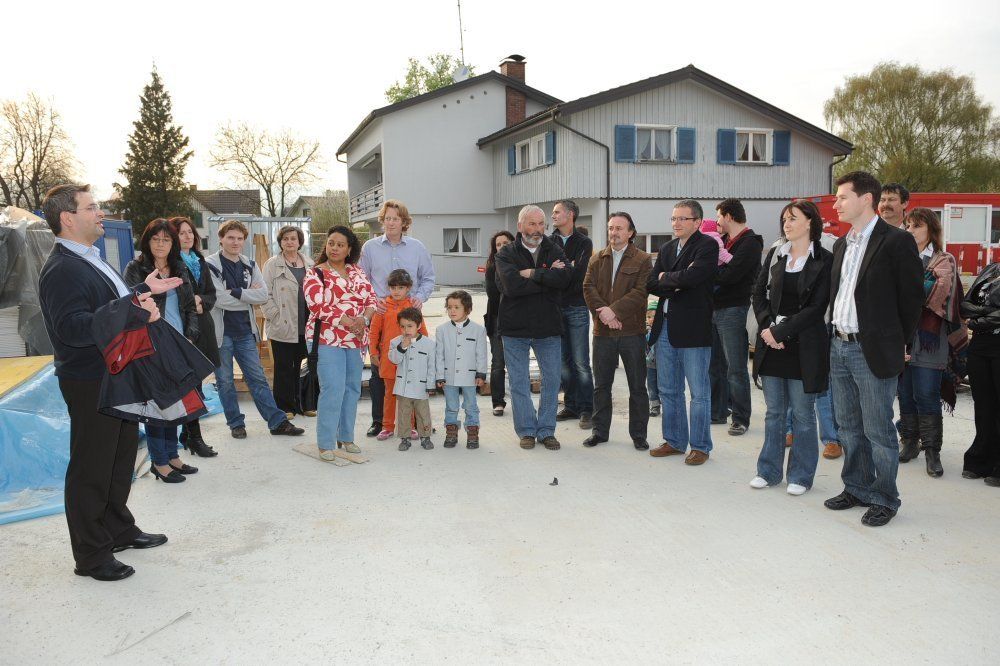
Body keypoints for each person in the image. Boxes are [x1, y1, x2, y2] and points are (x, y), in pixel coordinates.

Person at [38, 183, 175, 581]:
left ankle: (117, 529)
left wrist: (143, 291)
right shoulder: (62, 269)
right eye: (91, 207)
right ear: (68, 218)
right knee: (92, 466)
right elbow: (72, 328)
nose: (100, 213)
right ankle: (91, 555)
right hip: (90, 378)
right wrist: (134, 311)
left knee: (118, 459)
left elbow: (107, 304)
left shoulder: (90, 258)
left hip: (116, 372)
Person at [825, 171, 923, 527]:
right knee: (848, 427)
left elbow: (911, 299)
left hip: (872, 350)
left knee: (878, 430)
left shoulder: (896, 241)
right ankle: (857, 487)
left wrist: (897, 342)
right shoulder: (842, 244)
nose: (836, 204)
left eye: (842, 197)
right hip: (839, 345)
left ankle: (884, 497)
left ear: (866, 199)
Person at [749, 201, 833, 495]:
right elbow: (758, 294)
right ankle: (768, 471)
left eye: (793, 218)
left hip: (804, 346)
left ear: (810, 222)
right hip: (772, 343)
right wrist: (767, 328)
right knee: (774, 413)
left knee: (802, 415)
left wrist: (780, 331)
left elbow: (817, 307)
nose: (787, 223)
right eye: (784, 218)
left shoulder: (825, 259)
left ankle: (800, 476)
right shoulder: (776, 254)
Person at [206, 220, 303, 439]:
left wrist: (236, 292)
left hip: (245, 332)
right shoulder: (210, 265)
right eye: (231, 238)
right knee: (225, 382)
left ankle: (277, 422)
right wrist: (247, 296)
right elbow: (218, 299)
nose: (235, 242)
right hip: (221, 334)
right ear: (221, 239)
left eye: (240, 238)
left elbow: (261, 295)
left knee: (258, 378)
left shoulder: (249, 264)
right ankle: (236, 424)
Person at [123, 220, 201, 483]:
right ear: (147, 242)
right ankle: (159, 461)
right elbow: (129, 303)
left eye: (166, 239)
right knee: (157, 403)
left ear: (173, 243)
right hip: (151, 343)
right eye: (155, 239)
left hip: (177, 342)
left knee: (175, 400)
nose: (160, 244)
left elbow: (189, 308)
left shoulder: (180, 268)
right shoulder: (135, 268)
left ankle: (172, 455)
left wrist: (190, 336)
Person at [647, 200, 719, 464]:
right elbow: (651, 283)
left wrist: (668, 278)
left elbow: (694, 278)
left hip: (693, 329)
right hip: (665, 327)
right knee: (668, 389)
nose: (675, 223)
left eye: (682, 219)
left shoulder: (707, 246)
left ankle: (700, 446)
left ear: (697, 222)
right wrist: (675, 280)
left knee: (699, 392)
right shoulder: (667, 248)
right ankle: (674, 441)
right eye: (673, 218)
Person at [495, 204, 573, 450]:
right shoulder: (506, 253)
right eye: (532, 224)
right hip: (514, 329)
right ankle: (527, 430)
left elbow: (565, 278)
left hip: (548, 328)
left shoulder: (554, 248)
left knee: (552, 380)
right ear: (520, 226)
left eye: (541, 224)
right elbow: (511, 287)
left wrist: (531, 273)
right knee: (519, 383)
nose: (538, 229)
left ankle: (547, 431)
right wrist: (547, 276)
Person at [897, 208, 965, 477]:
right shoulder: (901, 257)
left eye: (917, 226)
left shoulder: (944, 259)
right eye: (908, 226)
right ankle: (909, 442)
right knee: (905, 393)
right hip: (901, 336)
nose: (910, 231)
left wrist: (907, 287)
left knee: (926, 393)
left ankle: (932, 451)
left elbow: (937, 291)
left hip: (930, 338)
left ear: (931, 229)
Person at [359, 200, 435, 437]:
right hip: (382, 314)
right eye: (387, 218)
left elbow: (428, 278)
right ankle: (380, 422)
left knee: (413, 371)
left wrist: (419, 298)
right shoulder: (370, 248)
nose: (391, 223)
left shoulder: (417, 248)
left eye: (395, 219)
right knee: (379, 374)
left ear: (404, 222)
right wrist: (374, 301)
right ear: (382, 221)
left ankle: (415, 422)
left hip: (410, 317)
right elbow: (361, 280)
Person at [303, 225, 378, 460]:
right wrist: (349, 321)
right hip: (326, 339)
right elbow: (318, 306)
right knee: (333, 389)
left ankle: (346, 437)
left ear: (349, 249)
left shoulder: (357, 271)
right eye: (331, 243)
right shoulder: (315, 273)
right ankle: (326, 443)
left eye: (340, 245)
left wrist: (364, 320)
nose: (334, 248)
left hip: (356, 340)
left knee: (352, 389)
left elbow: (371, 299)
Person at [582, 212, 652, 450]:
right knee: (601, 386)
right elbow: (588, 287)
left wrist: (614, 312)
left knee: (637, 386)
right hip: (603, 332)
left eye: (619, 228)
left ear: (631, 232)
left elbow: (641, 292)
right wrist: (605, 315)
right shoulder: (597, 259)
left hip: (631, 332)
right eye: (611, 228)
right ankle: (599, 432)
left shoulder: (642, 259)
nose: (614, 232)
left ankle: (639, 435)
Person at [710, 198, 763, 437]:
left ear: (729, 216)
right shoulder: (723, 241)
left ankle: (740, 418)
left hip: (734, 310)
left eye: (719, 217)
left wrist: (709, 273)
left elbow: (731, 275)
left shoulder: (750, 243)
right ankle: (719, 411)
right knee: (715, 365)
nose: (717, 222)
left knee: (736, 367)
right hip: (715, 308)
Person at [171, 217, 219, 458]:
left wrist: (202, 301)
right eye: (181, 233)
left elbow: (211, 294)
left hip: (203, 327)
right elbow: (176, 297)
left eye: (190, 232)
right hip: (184, 328)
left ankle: (188, 434)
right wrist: (193, 303)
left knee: (197, 382)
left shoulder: (200, 260)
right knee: (190, 385)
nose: (188, 236)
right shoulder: (172, 263)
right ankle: (194, 437)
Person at [551, 199, 595, 430]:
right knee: (563, 363)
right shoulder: (549, 241)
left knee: (580, 362)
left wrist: (560, 269)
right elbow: (546, 272)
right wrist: (566, 267)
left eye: (557, 212)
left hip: (577, 307)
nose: (553, 216)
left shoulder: (584, 242)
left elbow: (580, 275)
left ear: (570, 215)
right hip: (555, 309)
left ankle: (587, 408)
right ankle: (571, 405)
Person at [262, 225, 314, 419]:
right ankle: (285, 407)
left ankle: (304, 404)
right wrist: (274, 315)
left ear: (300, 242)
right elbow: (264, 293)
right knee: (284, 367)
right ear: (280, 242)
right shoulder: (272, 265)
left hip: (306, 323)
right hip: (283, 323)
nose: (290, 242)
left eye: (293, 238)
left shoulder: (310, 263)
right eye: (285, 239)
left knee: (306, 365)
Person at [369, 269, 428, 441]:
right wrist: (373, 352)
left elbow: (423, 332)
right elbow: (373, 332)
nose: (396, 291)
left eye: (401, 287)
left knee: (409, 394)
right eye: (393, 287)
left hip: (410, 359)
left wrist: (424, 355)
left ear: (408, 288)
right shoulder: (382, 308)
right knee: (389, 394)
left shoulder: (413, 307)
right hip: (389, 359)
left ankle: (409, 426)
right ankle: (387, 427)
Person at [961, 262, 1000, 487]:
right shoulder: (991, 270)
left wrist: (977, 321)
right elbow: (965, 305)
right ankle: (981, 458)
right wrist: (985, 315)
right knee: (983, 405)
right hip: (980, 346)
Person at [435, 290, 488, 449]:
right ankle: (451, 432)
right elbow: (439, 355)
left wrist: (481, 374)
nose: (452, 310)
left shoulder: (478, 330)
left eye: (457, 307)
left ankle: (472, 431)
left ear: (468, 309)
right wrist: (439, 375)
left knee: (471, 405)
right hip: (448, 377)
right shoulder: (442, 330)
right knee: (451, 406)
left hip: (470, 377)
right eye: (449, 307)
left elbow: (481, 354)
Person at [389, 307, 436, 451]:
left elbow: (432, 366)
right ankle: (405, 438)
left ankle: (425, 437)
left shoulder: (429, 344)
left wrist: (431, 385)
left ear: (419, 325)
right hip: (403, 388)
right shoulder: (395, 342)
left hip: (421, 387)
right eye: (402, 326)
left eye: (410, 326)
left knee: (423, 414)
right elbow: (394, 360)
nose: (406, 330)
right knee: (403, 414)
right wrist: (402, 347)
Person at [484, 230, 515, 416]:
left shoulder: (521, 263)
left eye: (505, 243)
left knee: (517, 363)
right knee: (498, 362)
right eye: (498, 245)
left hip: (519, 320)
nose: (502, 247)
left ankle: (520, 401)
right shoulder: (491, 268)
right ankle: (498, 402)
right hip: (497, 319)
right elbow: (494, 295)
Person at [646, 301, 660, 417]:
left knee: (662, 384)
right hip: (649, 364)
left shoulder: (661, 331)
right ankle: (654, 405)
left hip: (662, 362)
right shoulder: (645, 331)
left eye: (654, 316)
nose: (651, 319)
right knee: (651, 385)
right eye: (649, 317)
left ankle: (664, 402)